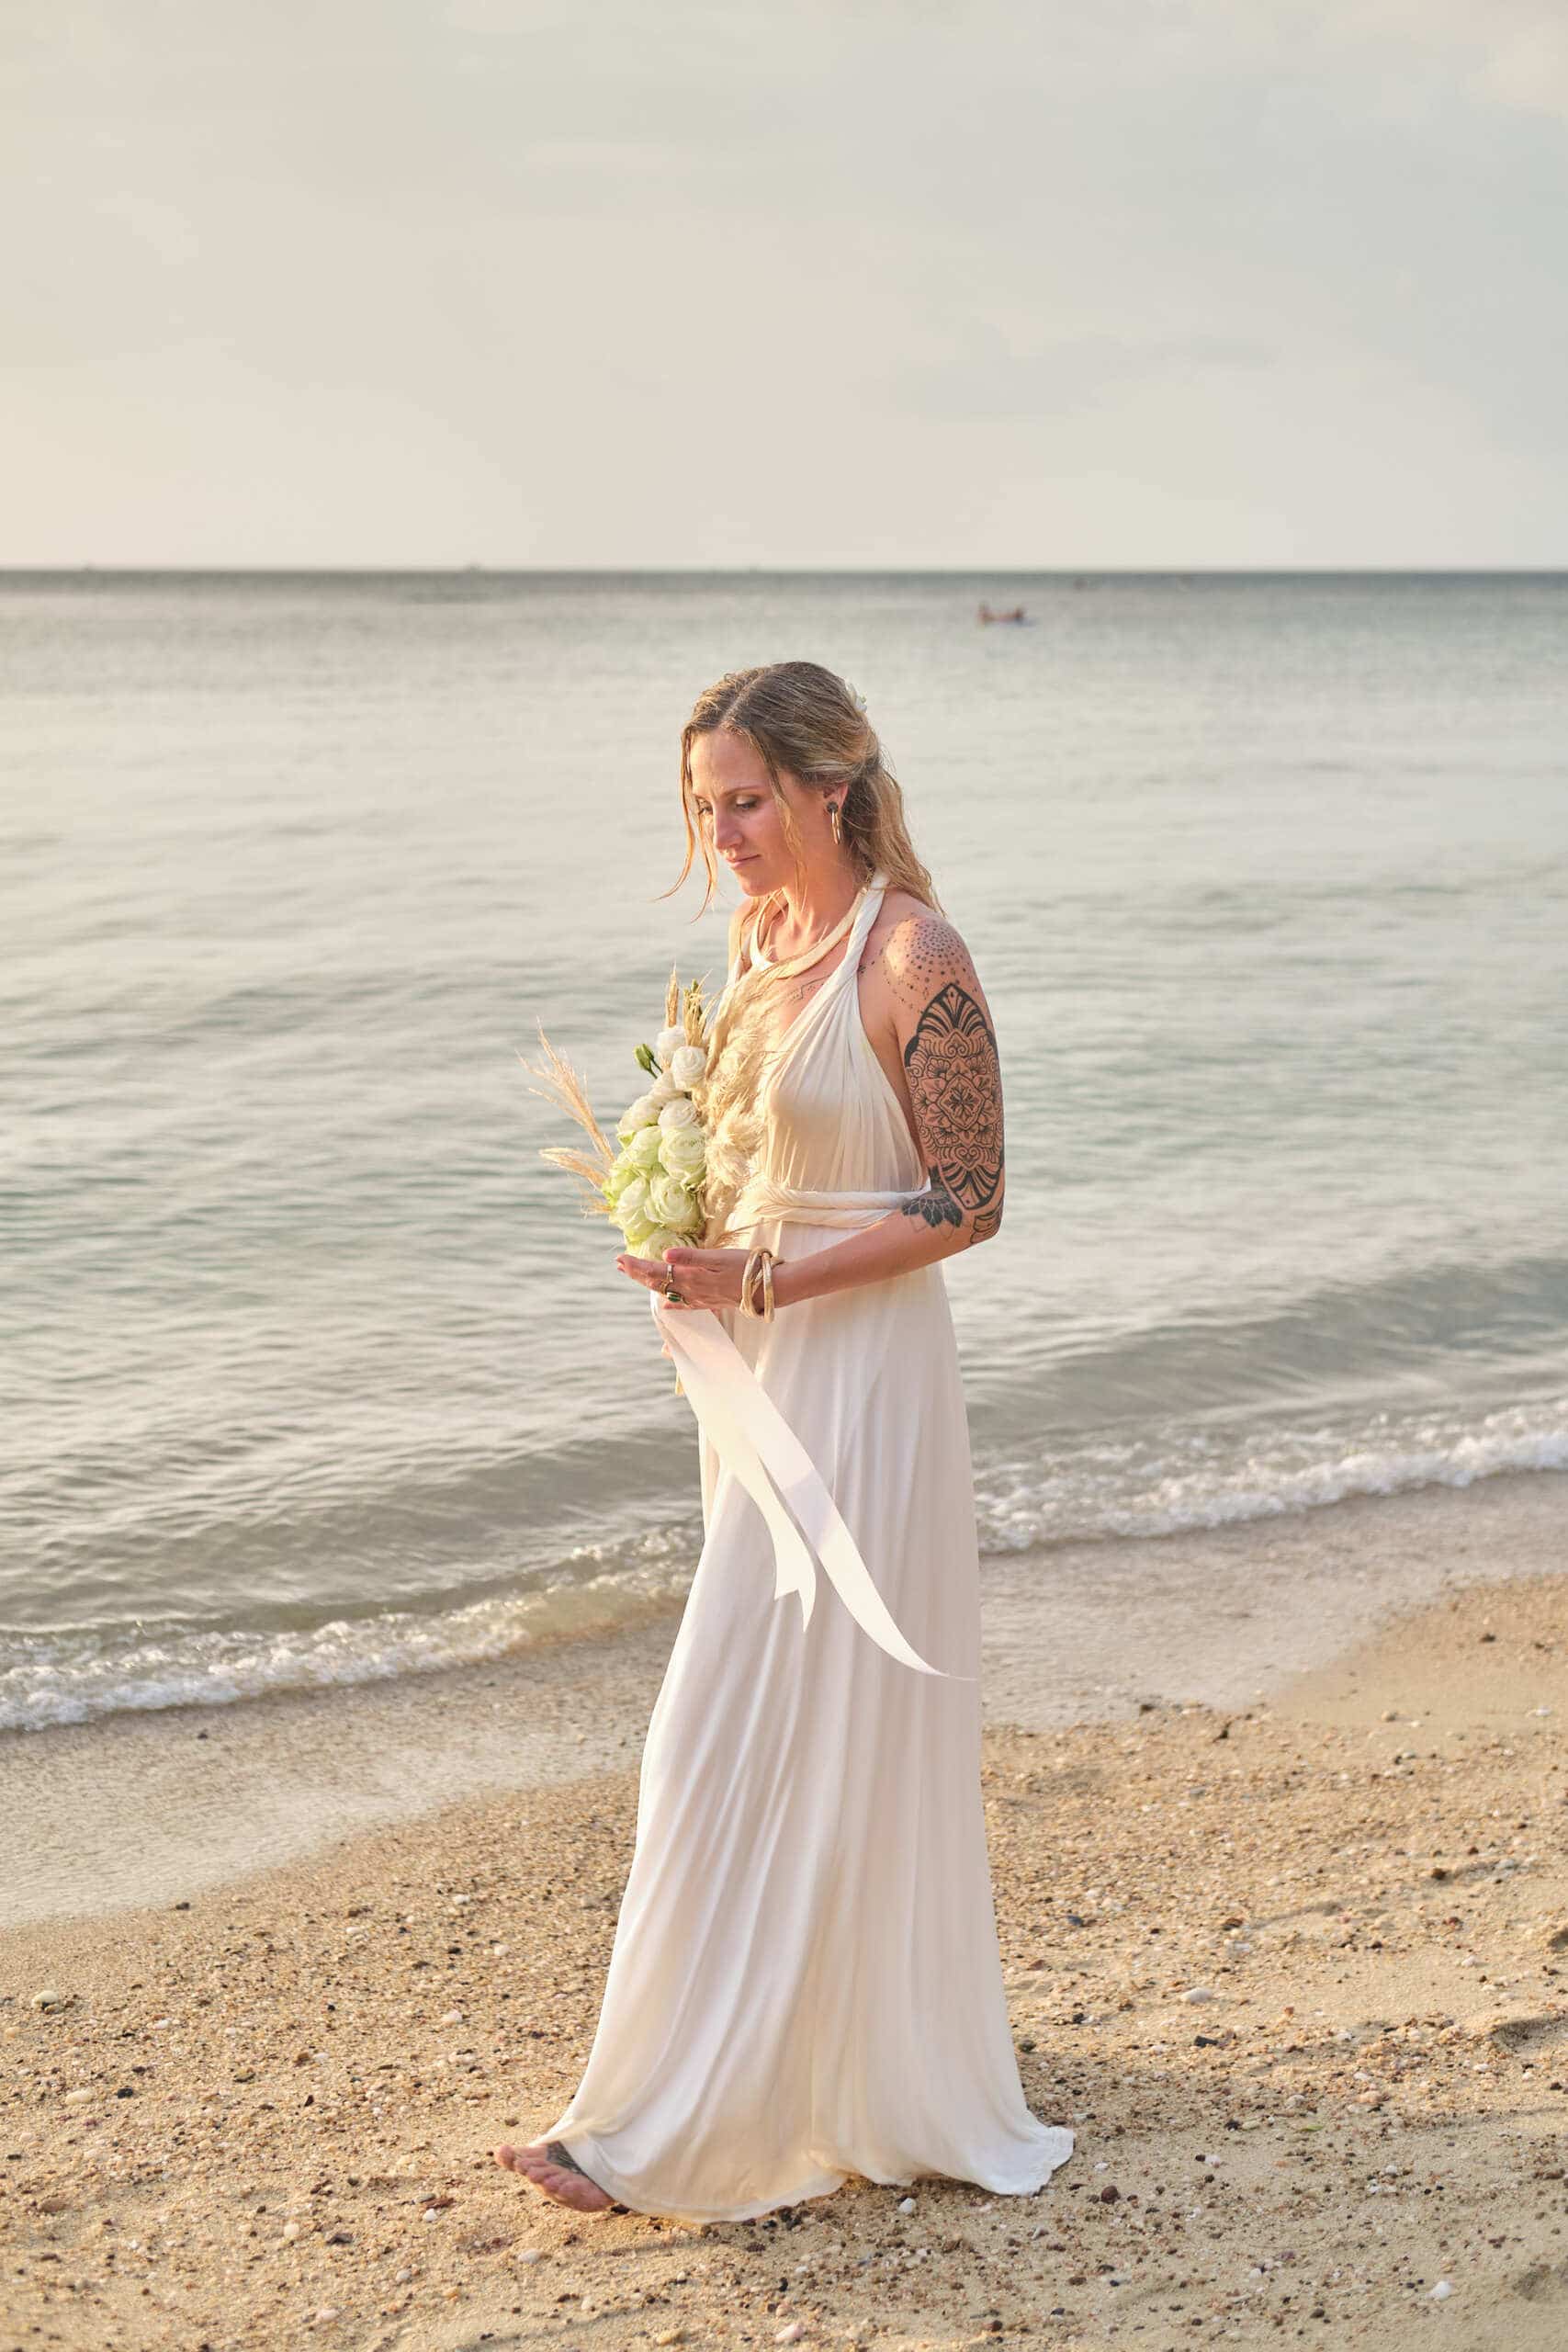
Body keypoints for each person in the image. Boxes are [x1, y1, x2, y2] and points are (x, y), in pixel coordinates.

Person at [495, 662, 1075, 2223]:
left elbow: (971, 1200)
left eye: (744, 799)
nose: (724, 831)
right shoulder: (760, 944)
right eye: (703, 805)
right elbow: (755, 1158)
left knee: (720, 1724)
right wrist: (682, 1240)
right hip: (760, 1380)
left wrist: (764, 1272)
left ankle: (657, 2128)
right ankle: (769, 2069)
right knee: (773, 1721)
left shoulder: (913, 951)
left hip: (867, 1382)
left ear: (833, 786)